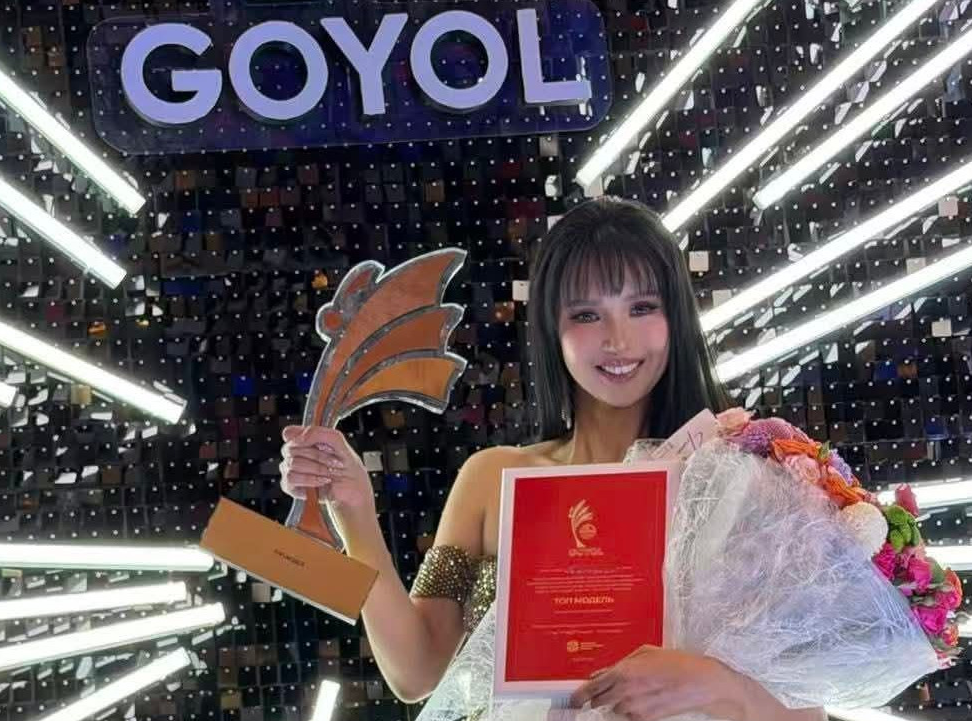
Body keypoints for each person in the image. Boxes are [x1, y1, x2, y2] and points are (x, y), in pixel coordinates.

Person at [279, 197, 826, 721]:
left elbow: (806, 713)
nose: (618, 340)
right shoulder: (494, 478)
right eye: (587, 315)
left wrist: (714, 685)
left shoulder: (732, 483)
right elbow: (416, 672)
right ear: (551, 329)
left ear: (677, 317)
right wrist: (354, 512)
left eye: (642, 308)